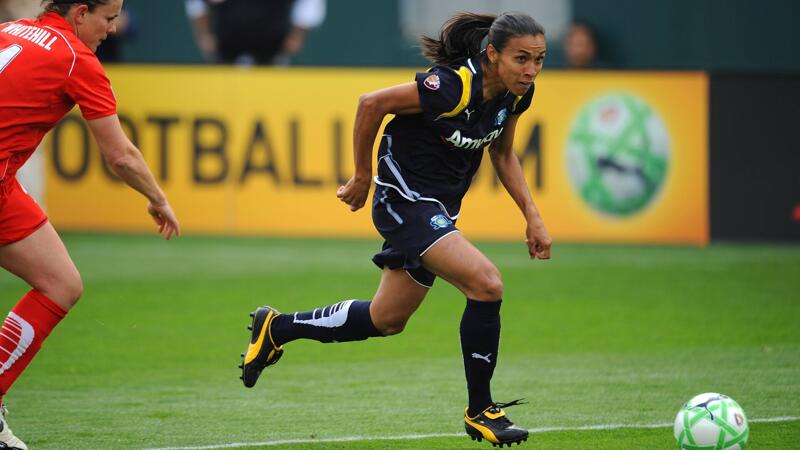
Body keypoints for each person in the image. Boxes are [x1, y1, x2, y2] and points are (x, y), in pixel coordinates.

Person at [239, 11, 551, 447]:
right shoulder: (453, 85)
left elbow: (502, 154)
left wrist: (532, 215)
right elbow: (371, 103)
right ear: (493, 54)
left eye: (539, 59)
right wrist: (361, 177)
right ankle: (481, 410)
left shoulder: (517, 95)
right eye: (522, 59)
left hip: (437, 209)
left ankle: (278, 328)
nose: (531, 70)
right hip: (403, 200)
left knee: (386, 319)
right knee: (486, 284)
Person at [0, 1, 180, 447]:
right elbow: (121, 156)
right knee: (59, 284)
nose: (113, 29)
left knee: (61, 283)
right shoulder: (75, 58)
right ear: (80, 13)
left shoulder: (11, 30)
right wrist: (157, 198)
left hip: (4, 184)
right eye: (109, 18)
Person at [185, 0, 325, 66]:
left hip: (273, 53)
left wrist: (297, 34)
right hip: (226, 53)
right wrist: (204, 34)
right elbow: (196, 4)